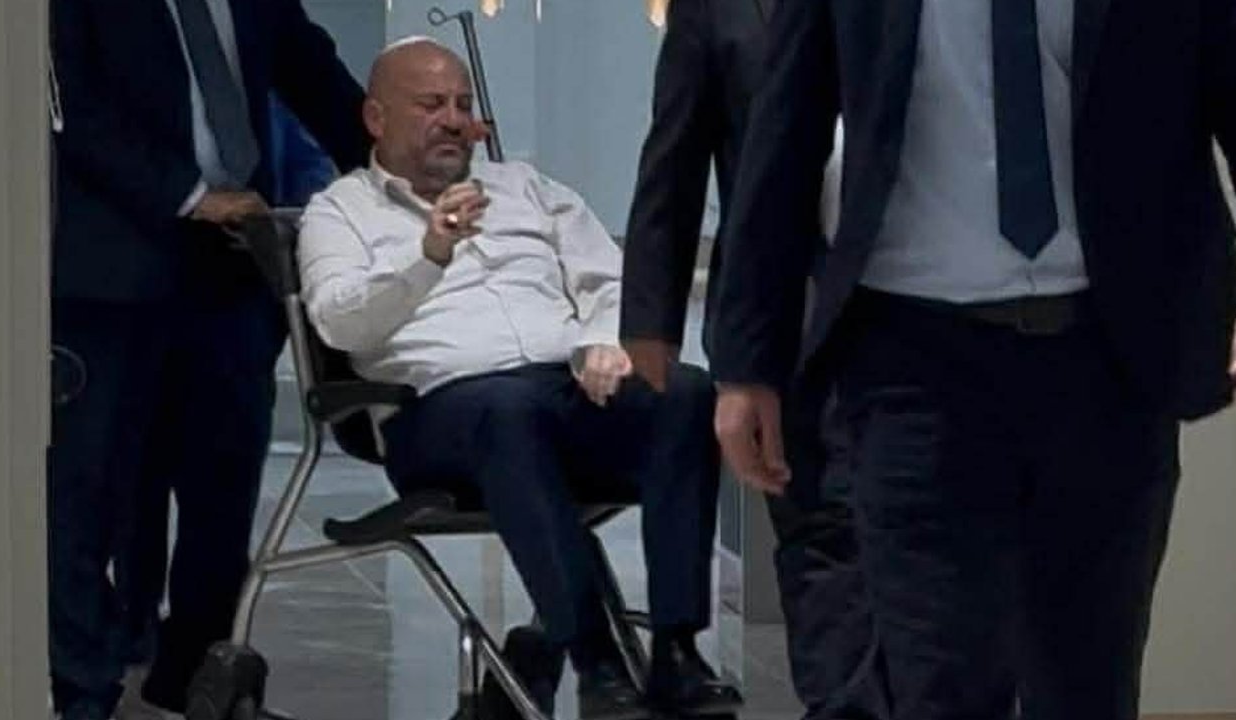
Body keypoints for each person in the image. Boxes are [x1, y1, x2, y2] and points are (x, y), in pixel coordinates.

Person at [711, 1, 1236, 719]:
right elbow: (786, 126)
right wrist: (747, 363)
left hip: (1108, 359)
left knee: (1089, 681)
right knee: (939, 683)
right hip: (916, 365)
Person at [298, 37, 742, 720]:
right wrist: (428, 255)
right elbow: (339, 324)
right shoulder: (339, 211)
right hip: (436, 414)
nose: (453, 121)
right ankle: (595, 662)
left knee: (683, 391)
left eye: (462, 105)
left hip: (564, 392)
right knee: (505, 410)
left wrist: (603, 342)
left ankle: (678, 651)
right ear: (376, 118)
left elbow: (611, 281)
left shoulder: (526, 189)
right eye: (431, 105)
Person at [48, 0, 370, 715]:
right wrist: (190, 195)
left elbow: (317, 77)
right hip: (112, 272)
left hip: (232, 268)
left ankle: (197, 677)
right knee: (90, 491)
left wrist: (399, 169)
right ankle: (85, 687)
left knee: (223, 493)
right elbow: (71, 108)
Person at [621, 1, 886, 717]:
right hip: (785, 309)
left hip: (918, 294)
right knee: (823, 519)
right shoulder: (715, 10)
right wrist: (651, 317)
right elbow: (676, 152)